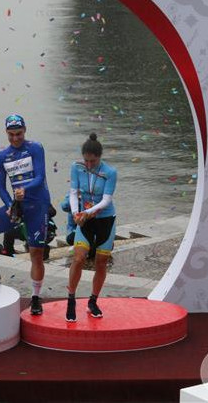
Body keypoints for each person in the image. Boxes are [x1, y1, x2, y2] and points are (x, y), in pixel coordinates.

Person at [0, 114, 51, 316]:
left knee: (36, 254)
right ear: (6, 133)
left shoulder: (35, 148)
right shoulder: (1, 157)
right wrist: (9, 205)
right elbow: (1, 187)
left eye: (19, 134)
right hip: (17, 206)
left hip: (38, 205)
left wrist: (25, 189)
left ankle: (36, 297)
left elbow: (40, 176)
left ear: (25, 130)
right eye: (11, 135)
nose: (15, 138)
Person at [66, 133, 117, 321]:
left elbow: (106, 200)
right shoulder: (76, 167)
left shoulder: (110, 172)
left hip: (105, 219)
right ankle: (71, 300)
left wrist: (88, 212)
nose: (88, 165)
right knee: (78, 258)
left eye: (92, 161)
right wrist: (75, 213)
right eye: (86, 160)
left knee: (101, 262)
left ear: (99, 157)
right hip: (84, 219)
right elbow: (73, 192)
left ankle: (93, 301)